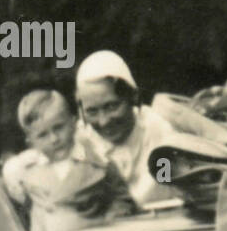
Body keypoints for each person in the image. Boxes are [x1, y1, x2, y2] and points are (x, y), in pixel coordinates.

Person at [2, 89, 135, 231]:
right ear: (31, 141)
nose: (54, 139)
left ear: (73, 123)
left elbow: (122, 199)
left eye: (59, 127)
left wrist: (110, 223)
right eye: (42, 135)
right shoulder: (31, 172)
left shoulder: (97, 161)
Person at [75, 50, 176, 206]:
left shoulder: (160, 131)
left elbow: (162, 187)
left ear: (133, 97)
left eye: (111, 106)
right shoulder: (77, 139)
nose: (103, 122)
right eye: (92, 111)